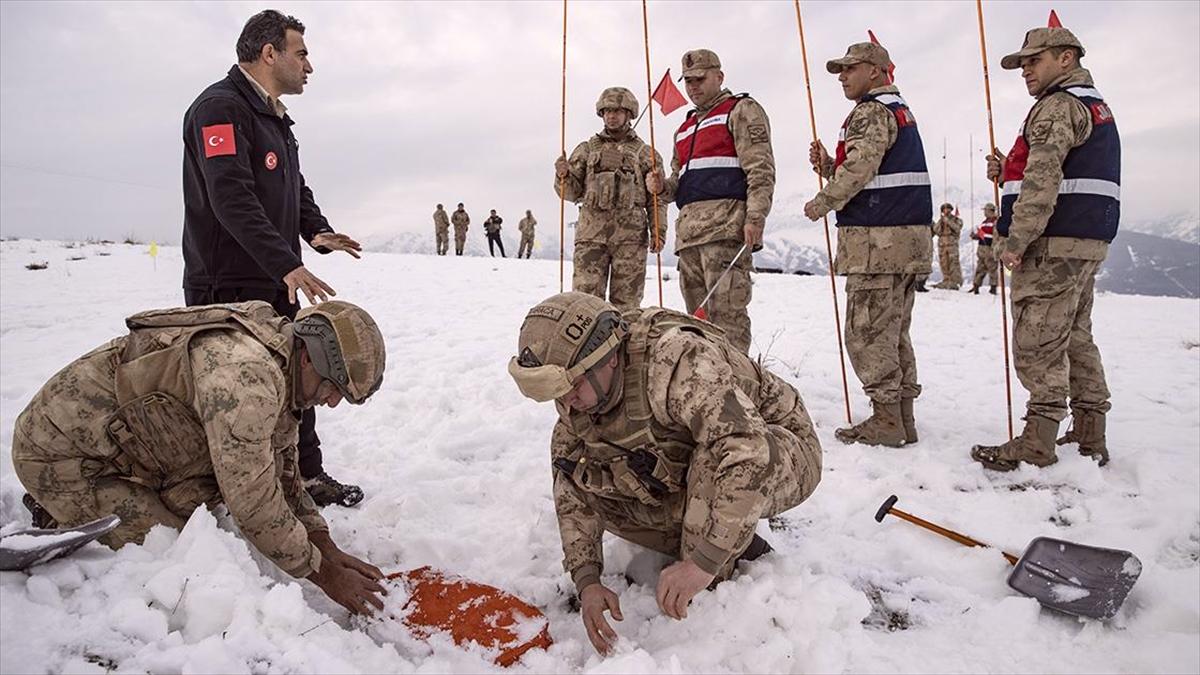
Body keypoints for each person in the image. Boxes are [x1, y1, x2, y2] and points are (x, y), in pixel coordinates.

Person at [13, 301, 388, 615]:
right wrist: (324, 574)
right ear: (308, 358)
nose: (332, 401)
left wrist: (324, 544)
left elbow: (282, 471)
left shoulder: (281, 359)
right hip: (58, 455)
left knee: (202, 500)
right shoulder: (247, 377)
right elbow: (253, 500)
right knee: (174, 551)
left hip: (117, 444)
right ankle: (53, 505)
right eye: (332, 387)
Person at [507, 292, 822, 656]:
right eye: (556, 393)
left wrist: (703, 563)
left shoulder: (675, 361)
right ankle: (721, 533)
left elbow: (746, 450)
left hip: (781, 446)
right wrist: (587, 580)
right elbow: (571, 484)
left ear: (607, 358)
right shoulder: (580, 396)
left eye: (572, 387)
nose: (565, 404)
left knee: (715, 464)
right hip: (706, 453)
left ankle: (716, 585)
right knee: (589, 467)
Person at [181, 10, 363, 507]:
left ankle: (304, 477)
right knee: (232, 393)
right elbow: (231, 197)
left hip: (274, 279)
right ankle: (225, 488)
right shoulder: (220, 109)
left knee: (295, 379)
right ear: (269, 54)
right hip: (229, 286)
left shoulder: (275, 118)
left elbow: (292, 188)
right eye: (301, 53)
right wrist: (286, 262)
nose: (309, 66)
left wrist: (317, 232)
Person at [971, 25, 1119, 470]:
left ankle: (1038, 442)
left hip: (1053, 243)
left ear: (1066, 58)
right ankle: (1091, 432)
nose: (1025, 71)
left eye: (1034, 60)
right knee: (1075, 337)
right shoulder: (1093, 106)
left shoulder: (1057, 106)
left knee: (1038, 341)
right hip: (1085, 239)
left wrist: (1017, 238)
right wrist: (1007, 172)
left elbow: (1043, 181)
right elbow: (1049, 171)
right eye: (1022, 63)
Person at [801, 41, 933, 448]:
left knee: (867, 331)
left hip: (879, 241)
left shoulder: (871, 111)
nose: (842, 76)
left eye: (850, 68)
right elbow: (874, 168)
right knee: (893, 331)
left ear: (875, 71)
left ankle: (886, 420)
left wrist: (823, 200)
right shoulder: (897, 112)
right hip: (906, 240)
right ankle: (902, 418)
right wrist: (827, 166)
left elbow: (860, 168)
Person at [646, 50, 776, 353]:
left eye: (699, 79)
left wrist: (755, 217)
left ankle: (737, 389)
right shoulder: (685, 127)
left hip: (726, 231)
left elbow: (760, 169)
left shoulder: (741, 110)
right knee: (698, 324)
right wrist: (661, 187)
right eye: (688, 81)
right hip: (689, 237)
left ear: (719, 77)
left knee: (727, 321)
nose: (693, 87)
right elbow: (679, 184)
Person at [555, 87, 666, 309]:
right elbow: (570, 193)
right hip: (591, 237)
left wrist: (658, 231)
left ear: (629, 114)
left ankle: (625, 344)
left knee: (627, 305)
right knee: (585, 303)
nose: (611, 116)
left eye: (617, 111)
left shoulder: (645, 153)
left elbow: (657, 197)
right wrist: (562, 176)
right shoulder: (587, 149)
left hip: (630, 240)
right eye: (606, 111)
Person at [968, 203, 999, 294]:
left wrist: (993, 249)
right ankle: (976, 286)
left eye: (985, 210)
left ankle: (993, 288)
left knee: (992, 268)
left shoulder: (995, 222)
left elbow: (996, 237)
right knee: (980, 268)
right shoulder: (984, 222)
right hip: (981, 248)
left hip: (989, 248)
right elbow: (983, 235)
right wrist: (975, 236)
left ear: (990, 211)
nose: (984, 212)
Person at [932, 203, 963, 289]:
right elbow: (936, 230)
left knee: (953, 263)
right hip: (942, 244)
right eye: (944, 209)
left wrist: (948, 221)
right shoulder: (941, 220)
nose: (946, 211)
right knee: (944, 263)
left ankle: (955, 281)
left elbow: (957, 228)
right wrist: (941, 222)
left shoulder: (956, 219)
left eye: (948, 209)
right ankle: (946, 280)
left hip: (952, 244)